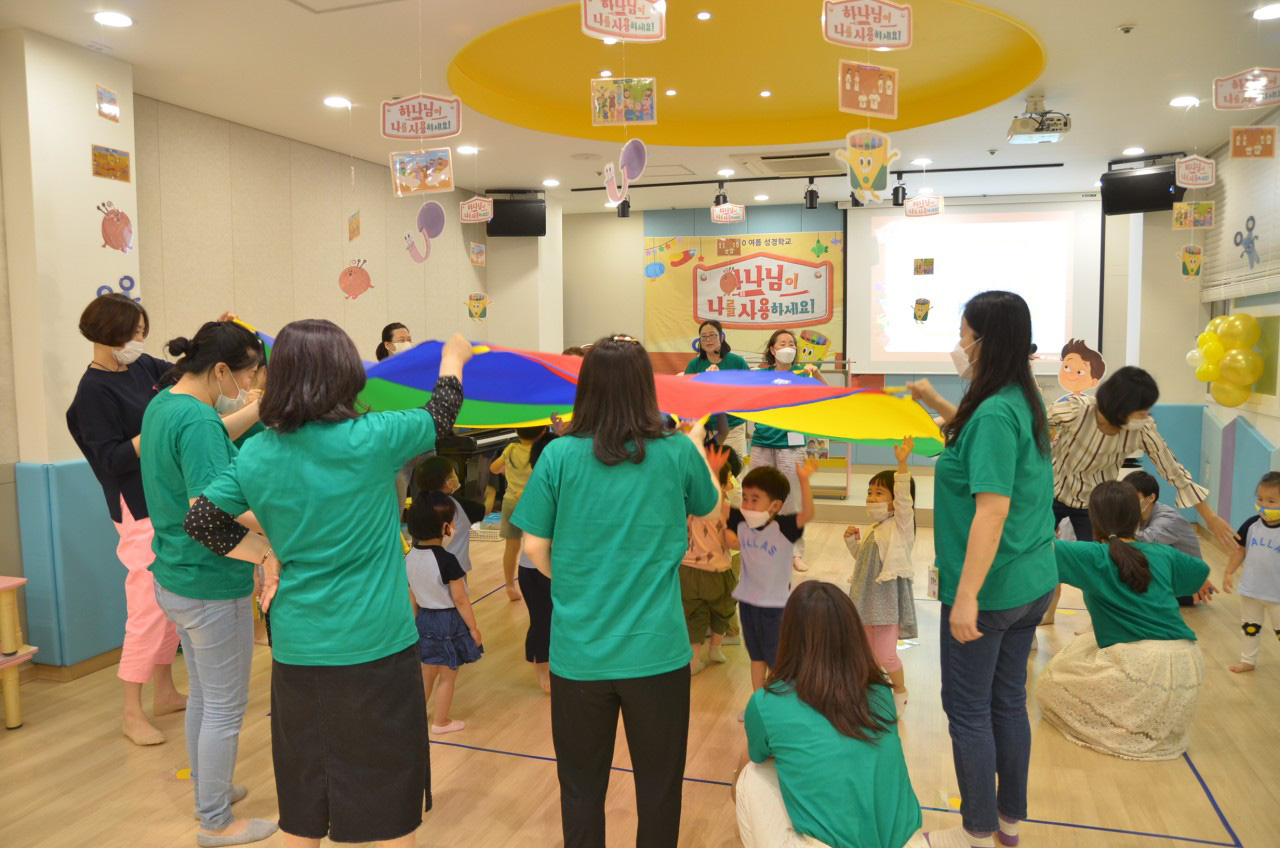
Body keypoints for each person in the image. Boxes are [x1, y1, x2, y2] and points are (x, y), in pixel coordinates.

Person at [184, 323, 473, 848]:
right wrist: (453, 357)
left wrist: (266, 552)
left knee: (305, 800)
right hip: (376, 646)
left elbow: (201, 518)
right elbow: (441, 413)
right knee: (389, 801)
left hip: (299, 650)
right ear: (346, 375)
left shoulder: (258, 453)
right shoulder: (375, 437)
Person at [512, 335, 723, 848]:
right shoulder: (676, 450)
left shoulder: (558, 454)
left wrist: (575, 581)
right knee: (660, 787)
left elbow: (534, 546)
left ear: (586, 387)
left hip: (579, 653)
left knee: (580, 788)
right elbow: (711, 505)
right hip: (657, 651)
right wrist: (696, 441)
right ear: (646, 387)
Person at [906, 291, 1057, 848]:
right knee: (1007, 701)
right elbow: (977, 444)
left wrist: (966, 595)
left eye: (964, 335)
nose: (959, 345)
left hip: (992, 589)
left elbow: (991, 511)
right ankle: (1007, 824)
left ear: (984, 342)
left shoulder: (994, 411)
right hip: (1030, 581)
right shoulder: (1019, 397)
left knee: (968, 710)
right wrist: (933, 400)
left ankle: (974, 832)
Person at [141, 320, 276, 846]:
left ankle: (208, 788)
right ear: (221, 370)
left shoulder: (166, 404)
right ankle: (215, 820)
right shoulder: (197, 421)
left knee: (205, 695)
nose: (250, 384)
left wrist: (258, 410)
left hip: (175, 576)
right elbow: (210, 511)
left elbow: (215, 438)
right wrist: (271, 540)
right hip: (209, 583)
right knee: (224, 707)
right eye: (249, 374)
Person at [66, 293, 187, 745]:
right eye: (133, 333)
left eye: (142, 332)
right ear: (107, 334)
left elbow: (184, 375)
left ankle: (165, 691)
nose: (140, 341)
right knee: (147, 606)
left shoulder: (142, 366)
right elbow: (112, 459)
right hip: (135, 507)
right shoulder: (92, 391)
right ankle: (131, 711)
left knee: (171, 598)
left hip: (164, 497)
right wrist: (151, 432)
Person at [735, 581, 925, 848]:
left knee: (751, 773)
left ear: (787, 636)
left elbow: (756, 757)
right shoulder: (881, 690)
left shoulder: (766, 702)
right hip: (908, 842)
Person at [1036, 481, 1212, 760]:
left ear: (1094, 518)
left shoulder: (1091, 555)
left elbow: (1038, 548)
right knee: (1086, 649)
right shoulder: (1163, 553)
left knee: (1050, 685)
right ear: (1137, 515)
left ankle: (1127, 719)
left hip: (1140, 664)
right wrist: (1196, 580)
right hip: (1186, 665)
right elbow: (1200, 571)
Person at [1046, 366, 1235, 550]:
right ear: (1120, 407)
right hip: (1051, 490)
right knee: (1039, 546)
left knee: (1095, 557)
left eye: (1147, 412)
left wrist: (1210, 517)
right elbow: (1037, 421)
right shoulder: (1078, 410)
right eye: (1141, 412)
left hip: (1093, 503)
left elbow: (1174, 472)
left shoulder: (1142, 430)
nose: (1145, 417)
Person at [727, 461, 817, 710]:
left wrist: (804, 481)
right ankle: (760, 705)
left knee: (776, 659)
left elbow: (808, 514)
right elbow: (715, 505)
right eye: (745, 498)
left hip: (776, 607)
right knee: (756, 657)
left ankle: (778, 706)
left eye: (755, 499)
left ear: (775, 505)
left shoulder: (784, 527)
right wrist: (712, 472)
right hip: (748, 604)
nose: (747, 504)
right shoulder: (741, 521)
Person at [844, 437, 918, 717]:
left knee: (886, 655)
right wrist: (853, 543)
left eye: (879, 493)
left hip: (885, 602)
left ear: (894, 500)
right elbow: (864, 565)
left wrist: (902, 465)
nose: (871, 497)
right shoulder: (874, 529)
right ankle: (872, 695)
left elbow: (904, 502)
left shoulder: (900, 527)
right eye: (869, 492)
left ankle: (900, 692)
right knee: (868, 656)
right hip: (865, 601)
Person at [405, 493, 483, 734]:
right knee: (448, 675)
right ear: (445, 528)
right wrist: (473, 628)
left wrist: (413, 624)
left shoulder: (409, 556)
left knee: (427, 672)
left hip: (424, 620)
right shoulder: (448, 560)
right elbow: (460, 599)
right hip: (447, 621)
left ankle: (417, 717)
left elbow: (412, 596)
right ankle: (441, 722)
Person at [751, 329, 823, 572]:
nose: (787, 347)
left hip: (792, 446)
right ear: (772, 350)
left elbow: (827, 395)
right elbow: (734, 385)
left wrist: (817, 373)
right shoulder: (760, 375)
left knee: (791, 501)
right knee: (760, 498)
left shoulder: (802, 374)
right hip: (762, 443)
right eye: (782, 343)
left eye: (791, 343)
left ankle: (794, 553)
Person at [681, 446, 741, 674]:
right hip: (717, 571)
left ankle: (694, 660)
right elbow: (732, 542)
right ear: (726, 484)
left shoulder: (688, 506)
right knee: (723, 610)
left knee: (693, 616)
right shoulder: (727, 510)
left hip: (687, 571)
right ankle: (715, 648)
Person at [1224, 471, 1280, 673]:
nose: (1264, 505)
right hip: (1251, 589)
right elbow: (1240, 550)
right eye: (1260, 499)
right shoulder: (1251, 525)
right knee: (1249, 627)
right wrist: (1229, 572)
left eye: (1271, 501)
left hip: (1277, 594)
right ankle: (1247, 660)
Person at [491, 426, 547, 602]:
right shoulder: (541, 452)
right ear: (543, 431)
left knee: (511, 547)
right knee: (537, 545)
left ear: (516, 431)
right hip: (532, 503)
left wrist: (505, 468)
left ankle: (509, 585)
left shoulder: (511, 449)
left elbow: (493, 468)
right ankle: (542, 581)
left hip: (510, 503)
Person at [411, 456, 490, 576]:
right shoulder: (460, 506)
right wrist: (491, 495)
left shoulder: (418, 505)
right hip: (455, 567)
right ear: (448, 483)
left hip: (423, 567)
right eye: (453, 473)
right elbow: (485, 510)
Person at [684, 319, 751, 457]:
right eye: (703, 336)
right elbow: (687, 395)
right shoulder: (694, 364)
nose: (708, 340)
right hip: (703, 428)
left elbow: (748, 390)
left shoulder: (737, 362)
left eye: (712, 335)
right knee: (704, 468)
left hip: (733, 426)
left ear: (721, 336)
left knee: (733, 467)